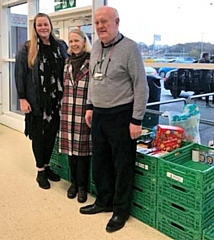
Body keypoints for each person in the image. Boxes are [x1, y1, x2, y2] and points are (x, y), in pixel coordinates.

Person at [79, 6, 149, 233]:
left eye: (105, 22)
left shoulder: (130, 48)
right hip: (98, 115)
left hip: (122, 116)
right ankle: (103, 201)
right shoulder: (97, 46)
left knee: (122, 165)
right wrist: (90, 106)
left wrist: (136, 119)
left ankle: (121, 210)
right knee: (100, 162)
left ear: (116, 22)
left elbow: (141, 87)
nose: (100, 26)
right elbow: (92, 78)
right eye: (97, 22)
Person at [14, 13, 68, 190]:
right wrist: (22, 98)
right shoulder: (28, 48)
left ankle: (47, 166)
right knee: (38, 136)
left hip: (55, 101)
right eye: (39, 25)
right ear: (35, 28)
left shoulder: (60, 46)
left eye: (46, 24)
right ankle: (40, 171)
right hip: (36, 100)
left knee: (51, 135)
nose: (43, 28)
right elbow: (20, 74)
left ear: (50, 25)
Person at [59, 29, 92, 203]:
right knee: (71, 151)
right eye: (71, 41)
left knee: (83, 152)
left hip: (83, 111)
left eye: (76, 41)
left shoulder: (91, 61)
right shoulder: (67, 62)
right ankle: (73, 182)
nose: (73, 44)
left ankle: (82, 187)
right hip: (68, 110)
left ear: (84, 41)